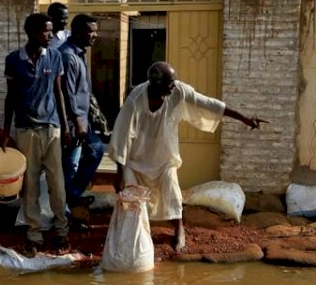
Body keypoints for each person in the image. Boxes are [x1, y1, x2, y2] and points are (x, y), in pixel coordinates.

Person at [109, 61, 268, 252]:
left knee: (173, 192)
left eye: (173, 83)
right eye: (169, 84)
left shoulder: (178, 91)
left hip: (163, 158)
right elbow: (120, 138)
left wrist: (244, 118)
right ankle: (137, 236)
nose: (173, 87)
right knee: (133, 198)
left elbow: (209, 104)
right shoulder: (135, 101)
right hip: (135, 160)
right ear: (155, 84)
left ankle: (179, 230)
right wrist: (119, 175)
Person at [4, 13, 70, 254]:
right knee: (30, 184)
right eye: (46, 31)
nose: (51, 35)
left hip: (52, 129)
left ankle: (61, 231)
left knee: (57, 184)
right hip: (26, 130)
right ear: (32, 33)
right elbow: (10, 97)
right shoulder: (14, 60)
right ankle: (34, 234)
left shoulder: (55, 56)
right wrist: (5, 130)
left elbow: (59, 92)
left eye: (51, 30)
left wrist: (66, 127)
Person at [58, 14, 104, 229]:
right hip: (71, 123)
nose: (95, 35)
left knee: (80, 161)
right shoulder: (67, 56)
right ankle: (69, 205)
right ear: (77, 32)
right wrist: (77, 124)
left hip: (82, 120)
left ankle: (72, 202)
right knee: (73, 164)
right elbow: (67, 95)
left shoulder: (79, 54)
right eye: (91, 31)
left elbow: (83, 91)